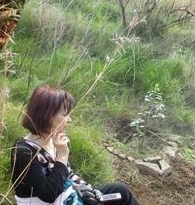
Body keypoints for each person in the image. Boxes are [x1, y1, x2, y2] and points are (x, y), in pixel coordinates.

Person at [11, 85, 139, 205]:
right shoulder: (24, 152)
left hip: (69, 198)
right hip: (58, 200)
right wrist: (62, 156)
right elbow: (48, 194)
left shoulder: (52, 141)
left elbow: (68, 174)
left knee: (120, 191)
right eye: (65, 114)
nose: (70, 120)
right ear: (48, 116)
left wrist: (87, 190)